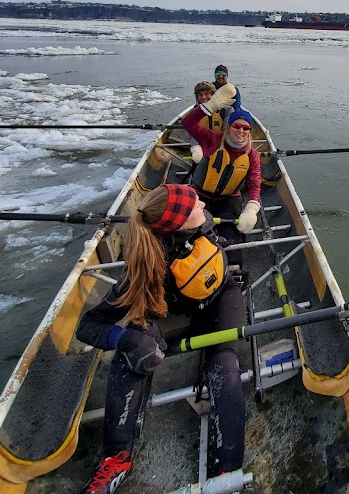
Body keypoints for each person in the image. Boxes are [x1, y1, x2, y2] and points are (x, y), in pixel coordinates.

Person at [75, 184, 245, 493]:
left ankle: (228, 473)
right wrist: (121, 338)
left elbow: (215, 234)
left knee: (225, 365)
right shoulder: (145, 269)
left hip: (222, 297)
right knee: (134, 352)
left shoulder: (203, 223)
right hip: (172, 313)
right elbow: (88, 325)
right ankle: (116, 458)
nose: (202, 205)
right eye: (194, 205)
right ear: (178, 223)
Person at [181, 104, 261, 266]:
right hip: (201, 195)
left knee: (231, 229)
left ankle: (233, 268)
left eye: (246, 128)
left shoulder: (252, 155)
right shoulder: (213, 139)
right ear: (229, 127)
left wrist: (252, 208)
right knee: (194, 230)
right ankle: (192, 264)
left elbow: (254, 183)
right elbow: (188, 124)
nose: (241, 131)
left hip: (229, 198)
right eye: (237, 126)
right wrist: (207, 107)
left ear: (249, 131)